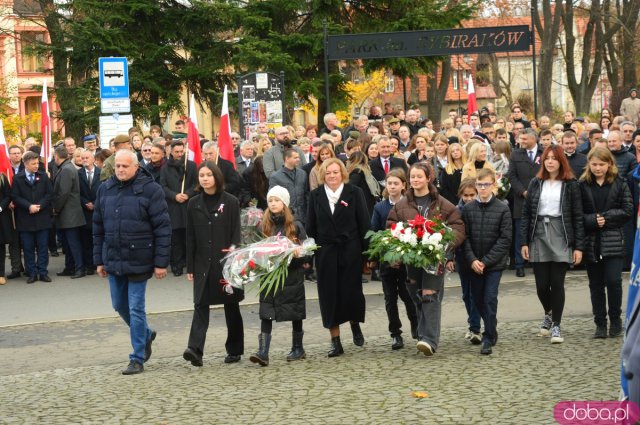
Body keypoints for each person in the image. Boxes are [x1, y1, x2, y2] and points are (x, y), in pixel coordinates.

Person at [93, 150, 170, 375]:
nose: (120, 170)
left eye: (125, 166)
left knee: (136, 308)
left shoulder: (151, 190)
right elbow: (97, 228)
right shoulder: (104, 189)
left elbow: (163, 228)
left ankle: (137, 357)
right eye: (117, 166)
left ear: (136, 167)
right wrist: (99, 260)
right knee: (119, 305)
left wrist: (160, 263)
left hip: (140, 258)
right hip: (113, 258)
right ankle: (145, 334)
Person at [387, 162, 465, 356]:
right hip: (412, 258)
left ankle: (429, 340)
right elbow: (391, 226)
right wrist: (396, 249)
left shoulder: (442, 203)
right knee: (416, 294)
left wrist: (445, 246)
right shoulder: (401, 205)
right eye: (412, 177)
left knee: (430, 294)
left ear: (428, 178)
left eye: (419, 176)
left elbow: (457, 227)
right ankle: (424, 334)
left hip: (434, 256)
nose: (415, 180)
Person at [306, 158, 370, 357]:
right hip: (326, 251)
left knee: (351, 292)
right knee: (329, 296)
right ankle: (335, 341)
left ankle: (355, 325)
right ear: (322, 175)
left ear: (342, 173)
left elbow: (364, 225)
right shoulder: (315, 196)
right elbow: (311, 227)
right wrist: (311, 256)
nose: (332, 176)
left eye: (335, 172)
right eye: (328, 172)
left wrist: (368, 255)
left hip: (350, 250)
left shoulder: (355, 193)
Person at [521, 145, 584, 344]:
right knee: (541, 285)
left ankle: (556, 324)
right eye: (546, 158)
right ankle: (548, 312)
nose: (550, 161)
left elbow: (577, 216)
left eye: (554, 158)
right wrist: (523, 242)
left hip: (560, 232)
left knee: (557, 283)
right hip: (538, 232)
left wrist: (578, 246)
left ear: (561, 161)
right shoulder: (535, 182)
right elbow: (526, 214)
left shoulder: (571, 183)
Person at [183, 161, 244, 367]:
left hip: (226, 262)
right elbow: (189, 237)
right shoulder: (193, 203)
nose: (205, 178)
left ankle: (235, 349)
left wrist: (235, 253)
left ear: (216, 177)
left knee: (231, 305)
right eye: (202, 175)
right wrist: (190, 266)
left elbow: (237, 232)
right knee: (200, 304)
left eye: (209, 174)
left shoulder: (231, 201)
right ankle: (195, 349)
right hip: (202, 263)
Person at [249, 186, 310, 366]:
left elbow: (307, 253)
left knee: (294, 310)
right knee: (266, 311)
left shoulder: (296, 225)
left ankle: (298, 347)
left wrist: (296, 256)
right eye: (270, 201)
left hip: (291, 276)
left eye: (277, 200)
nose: (273, 204)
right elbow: (256, 249)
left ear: (284, 203)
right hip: (269, 276)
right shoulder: (264, 225)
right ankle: (263, 352)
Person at [579, 147, 633, 338]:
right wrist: (593, 220)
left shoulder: (619, 183)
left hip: (613, 239)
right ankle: (600, 323)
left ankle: (616, 320)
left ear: (609, 164)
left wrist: (606, 217)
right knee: (596, 285)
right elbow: (577, 214)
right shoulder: (583, 184)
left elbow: (628, 210)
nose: (597, 168)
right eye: (594, 164)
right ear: (589, 164)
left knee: (614, 281)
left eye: (601, 164)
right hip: (592, 241)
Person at [461, 169, 512, 355]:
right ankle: (492, 325)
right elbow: (464, 238)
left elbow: (505, 239)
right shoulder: (468, 209)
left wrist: (486, 261)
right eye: (480, 185)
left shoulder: (502, 208)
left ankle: (488, 336)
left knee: (490, 298)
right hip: (474, 263)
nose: (483, 188)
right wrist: (473, 260)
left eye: (486, 185)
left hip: (494, 265)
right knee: (478, 299)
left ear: (493, 186)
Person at [369, 169, 417, 350]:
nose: (392, 187)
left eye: (396, 183)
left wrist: (403, 256)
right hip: (387, 260)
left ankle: (415, 324)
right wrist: (382, 256)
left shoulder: (409, 205)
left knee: (409, 295)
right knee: (390, 298)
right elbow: (375, 232)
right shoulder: (380, 207)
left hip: (407, 259)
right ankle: (395, 334)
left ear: (404, 185)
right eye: (389, 183)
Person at [11, 151, 53, 284]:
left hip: (42, 217)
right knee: (28, 248)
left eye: (37, 163)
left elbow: (49, 194)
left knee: (42, 247)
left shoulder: (43, 176)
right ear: (25, 164)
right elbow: (15, 197)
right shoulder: (17, 178)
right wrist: (29, 206)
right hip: (25, 219)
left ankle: (43, 272)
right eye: (33, 164)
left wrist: (39, 205)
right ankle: (32, 272)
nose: (36, 166)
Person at [159, 141, 197, 277]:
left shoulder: (191, 166)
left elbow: (196, 184)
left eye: (182, 152)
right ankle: (177, 265)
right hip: (173, 207)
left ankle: (190, 264)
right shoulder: (165, 168)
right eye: (177, 152)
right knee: (175, 239)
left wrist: (188, 194)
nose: (180, 154)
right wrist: (174, 195)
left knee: (189, 237)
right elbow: (162, 186)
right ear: (171, 152)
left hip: (188, 206)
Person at [508, 128, 543, 277]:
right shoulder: (515, 154)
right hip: (521, 200)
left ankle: (537, 263)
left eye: (524, 139)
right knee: (520, 233)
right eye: (520, 139)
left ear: (533, 139)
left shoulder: (544, 153)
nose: (521, 142)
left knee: (538, 232)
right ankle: (519, 264)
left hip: (541, 200)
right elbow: (512, 176)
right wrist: (523, 191)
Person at [52, 146, 86, 279]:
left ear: (57, 156)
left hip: (69, 214)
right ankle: (70, 267)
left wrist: (56, 208)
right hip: (69, 213)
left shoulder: (66, 169)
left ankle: (79, 268)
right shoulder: (67, 167)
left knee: (73, 243)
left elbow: (63, 193)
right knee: (68, 243)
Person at [455, 178, 482, 344]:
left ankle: (475, 327)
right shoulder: (457, 210)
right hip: (462, 256)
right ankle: (472, 323)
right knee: (466, 294)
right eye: (466, 195)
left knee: (476, 294)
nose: (469, 198)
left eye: (472, 195)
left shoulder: (481, 208)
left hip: (478, 256)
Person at [268, 148, 308, 224]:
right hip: (287, 217)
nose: (298, 159)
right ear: (287, 158)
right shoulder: (275, 177)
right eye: (295, 157)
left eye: (298, 157)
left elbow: (306, 193)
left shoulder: (302, 173)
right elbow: (272, 197)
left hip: (303, 216)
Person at [78, 150, 101, 275]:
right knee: (85, 240)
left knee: (97, 239)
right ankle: (88, 265)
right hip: (84, 211)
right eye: (82, 158)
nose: (85, 160)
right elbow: (77, 192)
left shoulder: (101, 173)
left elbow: (104, 191)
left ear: (93, 159)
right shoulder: (78, 174)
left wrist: (95, 203)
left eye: (87, 157)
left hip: (98, 211)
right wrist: (85, 203)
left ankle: (98, 263)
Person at [347, 151, 379, 215]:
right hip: (369, 202)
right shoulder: (366, 170)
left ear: (352, 160)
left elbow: (349, 188)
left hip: (361, 203)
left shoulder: (357, 172)